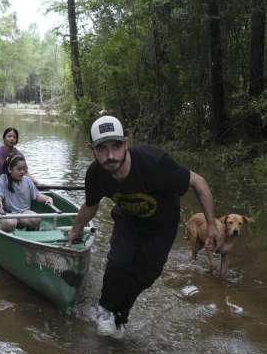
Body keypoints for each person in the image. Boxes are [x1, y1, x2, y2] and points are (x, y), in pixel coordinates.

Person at [67, 115, 218, 339]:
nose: (110, 156)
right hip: (128, 218)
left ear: (126, 143)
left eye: (117, 146)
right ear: (92, 150)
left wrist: (212, 224)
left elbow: (199, 183)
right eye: (102, 148)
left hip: (162, 224)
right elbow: (90, 206)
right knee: (120, 261)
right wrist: (75, 230)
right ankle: (105, 310)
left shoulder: (155, 163)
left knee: (146, 275)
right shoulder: (96, 174)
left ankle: (120, 316)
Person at [0, 154, 53, 232]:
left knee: (36, 218)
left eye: (24, 169)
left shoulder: (27, 180)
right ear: (10, 169)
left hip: (24, 213)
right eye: (19, 169)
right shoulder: (3, 179)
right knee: (9, 223)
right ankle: (5, 235)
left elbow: (37, 195)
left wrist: (47, 198)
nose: (22, 172)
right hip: (8, 213)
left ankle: (31, 235)